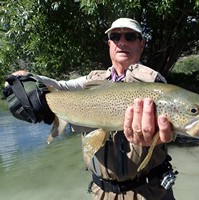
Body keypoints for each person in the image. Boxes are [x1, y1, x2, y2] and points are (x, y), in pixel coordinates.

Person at [4, 18, 176, 199]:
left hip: (150, 192)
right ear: (110, 44)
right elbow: (58, 87)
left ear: (141, 44)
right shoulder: (91, 81)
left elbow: (175, 126)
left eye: (131, 36)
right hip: (101, 192)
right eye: (116, 36)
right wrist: (25, 77)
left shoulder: (155, 83)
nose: (122, 41)